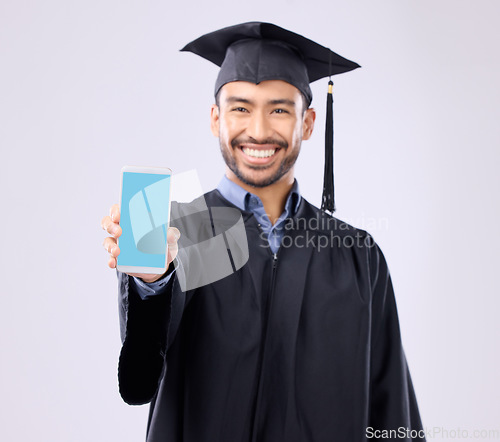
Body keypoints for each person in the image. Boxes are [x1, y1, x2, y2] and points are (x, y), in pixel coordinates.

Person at [101, 22, 425, 442]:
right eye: (240, 108)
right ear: (215, 118)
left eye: (278, 109)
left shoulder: (356, 255)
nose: (257, 130)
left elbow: (392, 407)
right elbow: (139, 382)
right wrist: (151, 282)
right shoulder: (182, 234)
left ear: (307, 123)